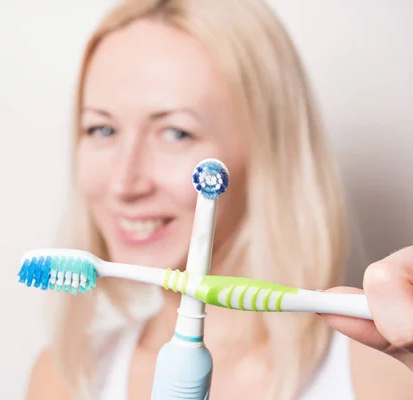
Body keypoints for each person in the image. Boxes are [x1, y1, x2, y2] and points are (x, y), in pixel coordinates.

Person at [27, 0, 413, 399]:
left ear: (269, 152)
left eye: (176, 132)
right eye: (102, 129)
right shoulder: (63, 379)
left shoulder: (389, 377)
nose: (124, 183)